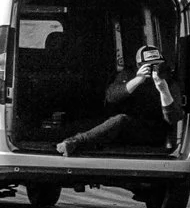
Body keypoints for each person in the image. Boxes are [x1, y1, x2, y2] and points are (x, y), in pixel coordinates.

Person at [55, 44, 183, 156]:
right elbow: (111, 97)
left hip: (152, 132)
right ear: (138, 65)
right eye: (149, 66)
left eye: (157, 65)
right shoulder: (128, 75)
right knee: (90, 123)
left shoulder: (169, 82)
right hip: (124, 127)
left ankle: (76, 142)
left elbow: (173, 119)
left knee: (120, 120)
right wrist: (137, 80)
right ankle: (50, 139)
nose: (154, 69)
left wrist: (163, 90)